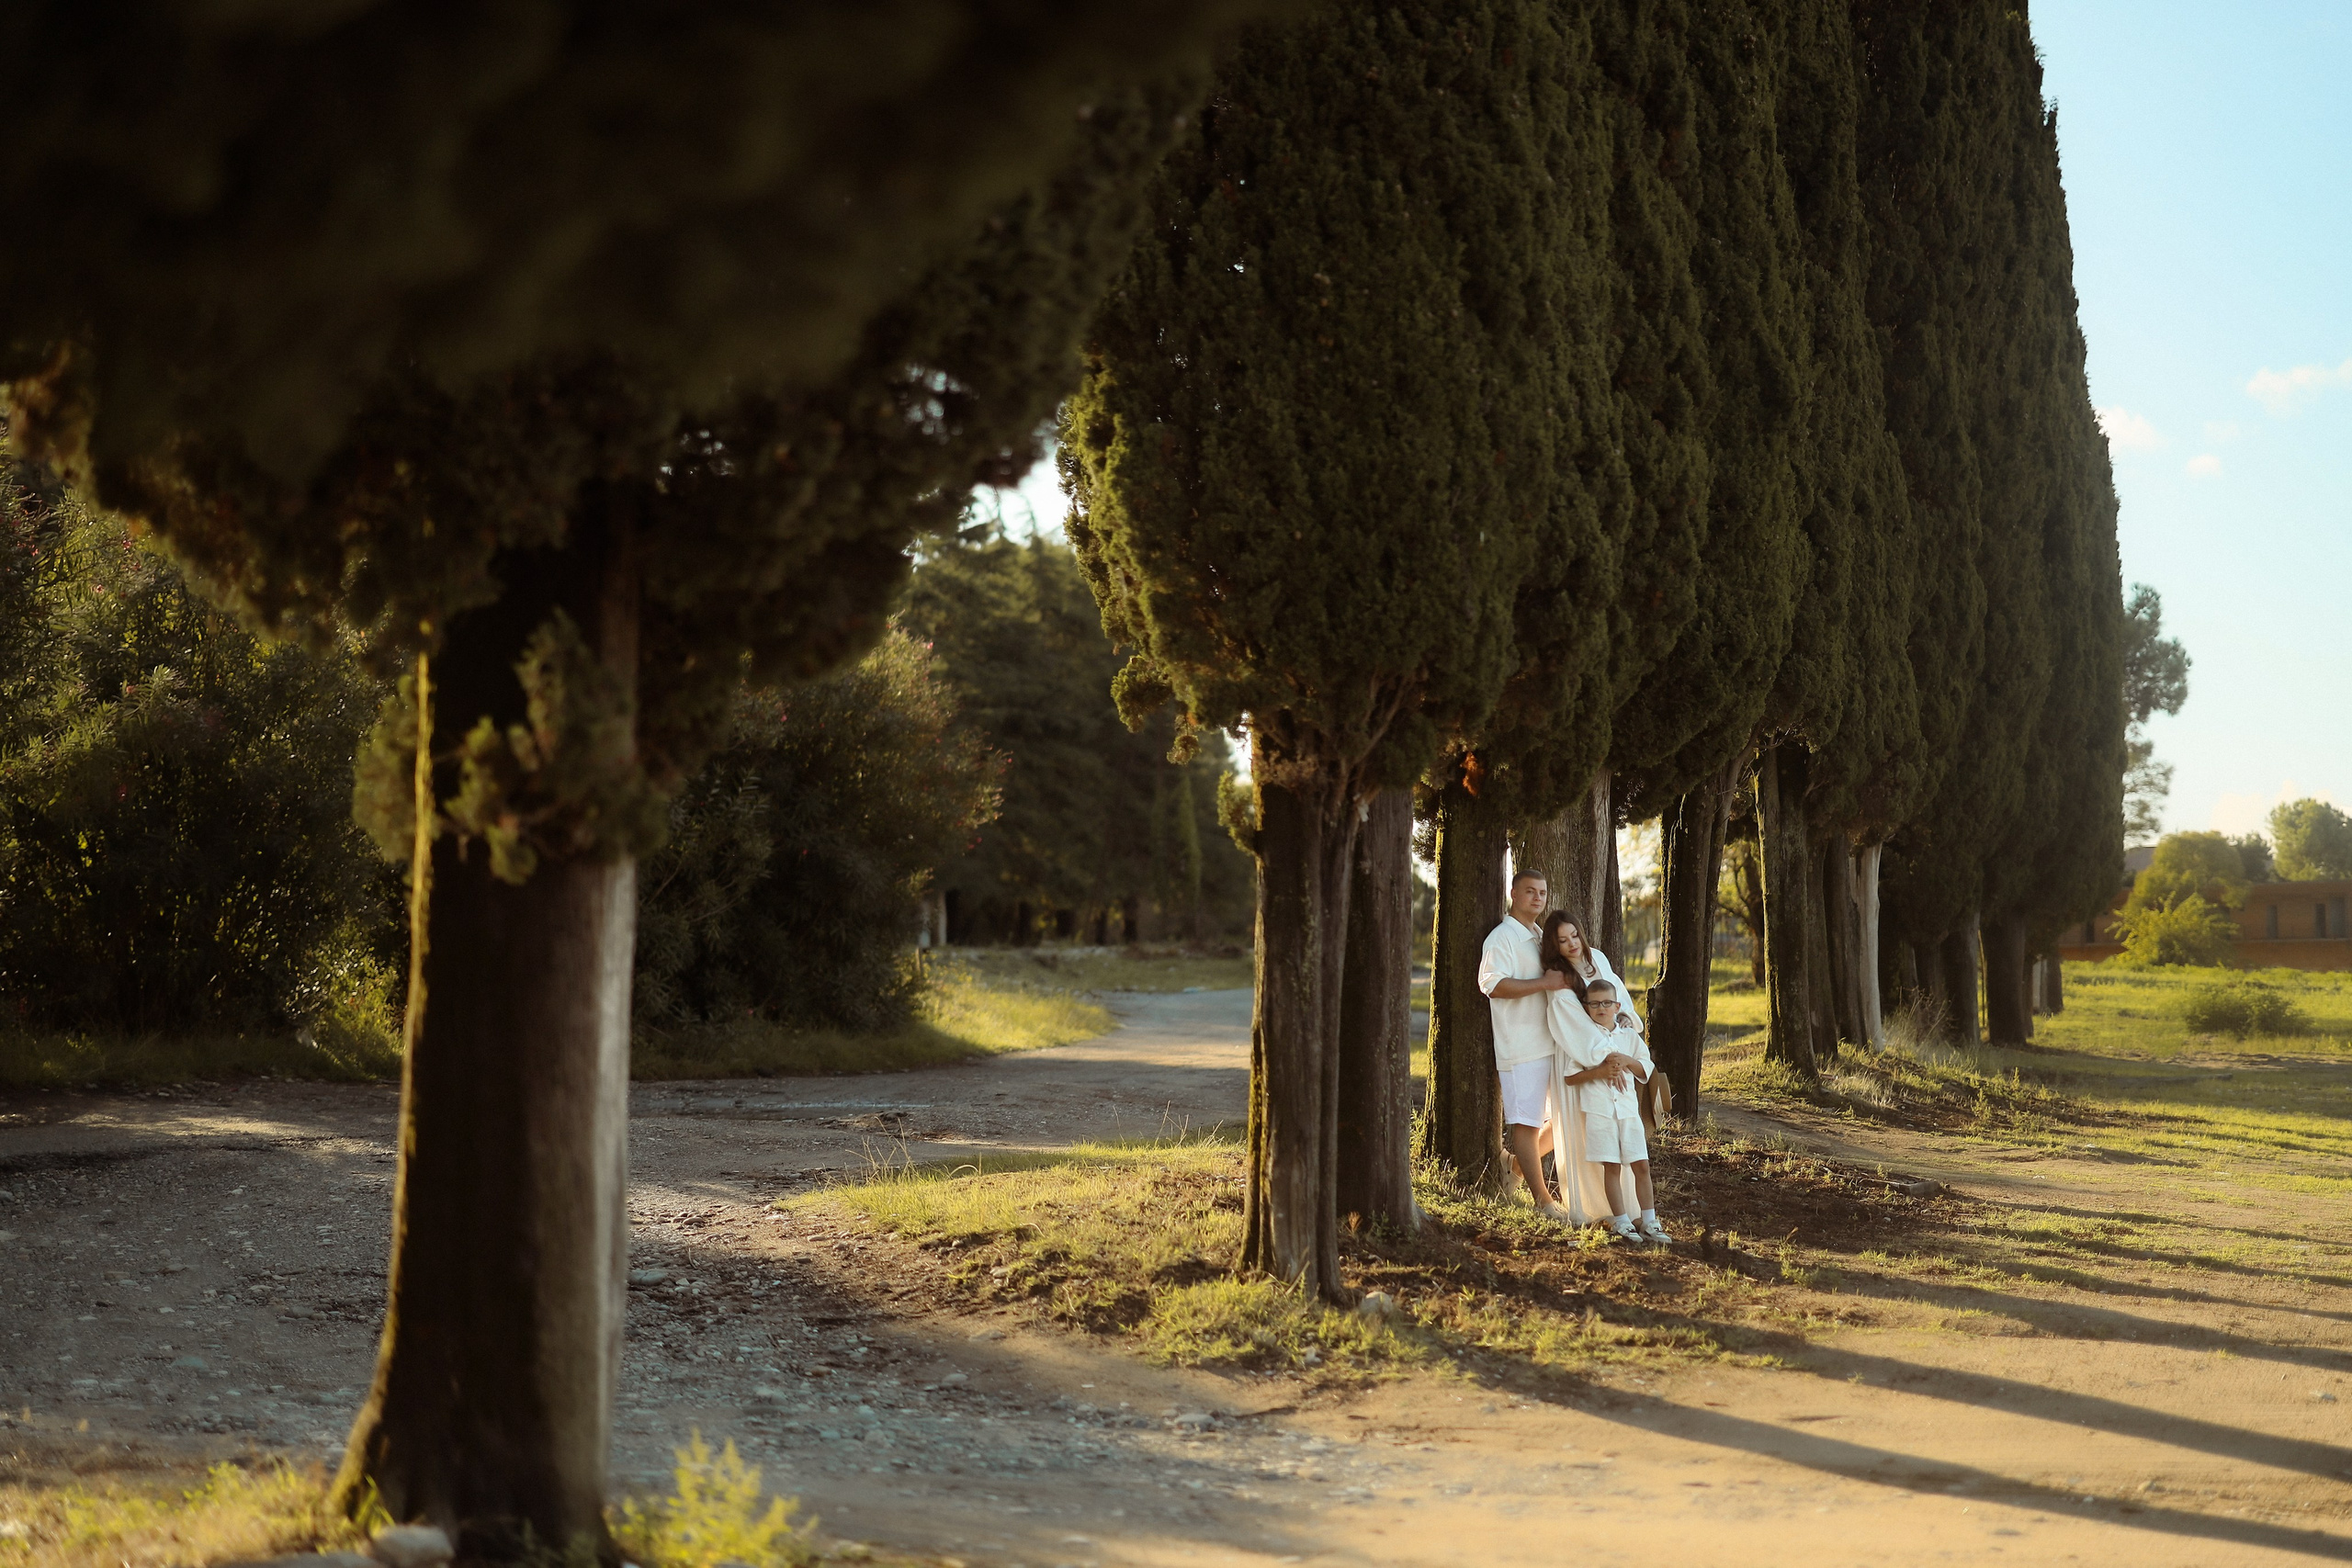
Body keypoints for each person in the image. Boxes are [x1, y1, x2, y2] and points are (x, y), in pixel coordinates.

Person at [1534, 910, 1647, 1233]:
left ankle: (1628, 1209)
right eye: (1562, 940)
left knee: (1615, 1130)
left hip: (1613, 1047)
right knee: (1587, 1134)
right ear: (1554, 946)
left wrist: (1625, 1021)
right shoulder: (1558, 976)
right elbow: (1573, 1023)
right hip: (1580, 1053)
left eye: (1574, 936)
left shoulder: (1596, 957)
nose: (1571, 944)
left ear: (1581, 934)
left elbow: (1618, 998)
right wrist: (1606, 1057)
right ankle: (1599, 1209)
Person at [1478, 870, 1578, 1222]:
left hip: (1551, 1043)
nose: (1537, 898)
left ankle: (1516, 1166)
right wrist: (1543, 983)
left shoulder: (1540, 936)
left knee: (1570, 1116)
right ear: (1513, 894)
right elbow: (1492, 986)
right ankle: (1544, 1203)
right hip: (1520, 1046)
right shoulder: (1501, 938)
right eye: (1530, 892)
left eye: (1543, 892)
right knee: (1527, 1123)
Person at [1557, 976, 1671, 1243]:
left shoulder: (1628, 1036)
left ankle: (1650, 1220)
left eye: (1607, 1003)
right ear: (1586, 1007)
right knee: (1612, 1167)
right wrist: (1600, 1071)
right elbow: (1570, 1077)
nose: (1601, 1008)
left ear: (1617, 1005)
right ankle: (1621, 1221)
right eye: (1595, 1003)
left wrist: (1626, 1061)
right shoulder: (1585, 1041)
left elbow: (1647, 1068)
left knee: (1641, 1165)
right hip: (1600, 1113)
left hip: (1628, 1113)